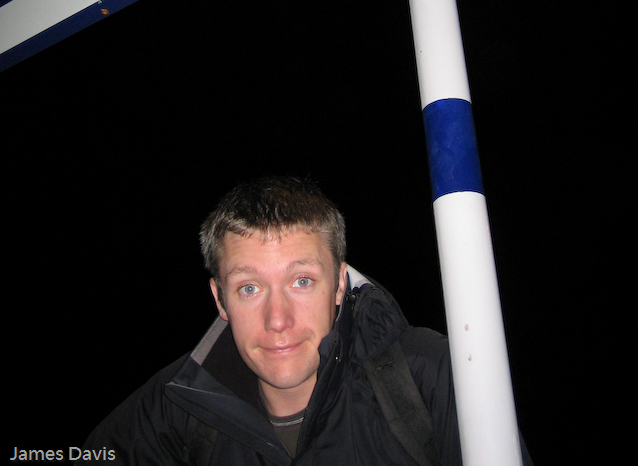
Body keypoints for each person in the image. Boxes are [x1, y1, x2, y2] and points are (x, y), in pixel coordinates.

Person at [85, 175, 533, 465]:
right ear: (220, 300)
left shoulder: (429, 377)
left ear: (339, 285)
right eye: (249, 288)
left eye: (301, 281)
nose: (277, 320)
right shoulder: (181, 402)